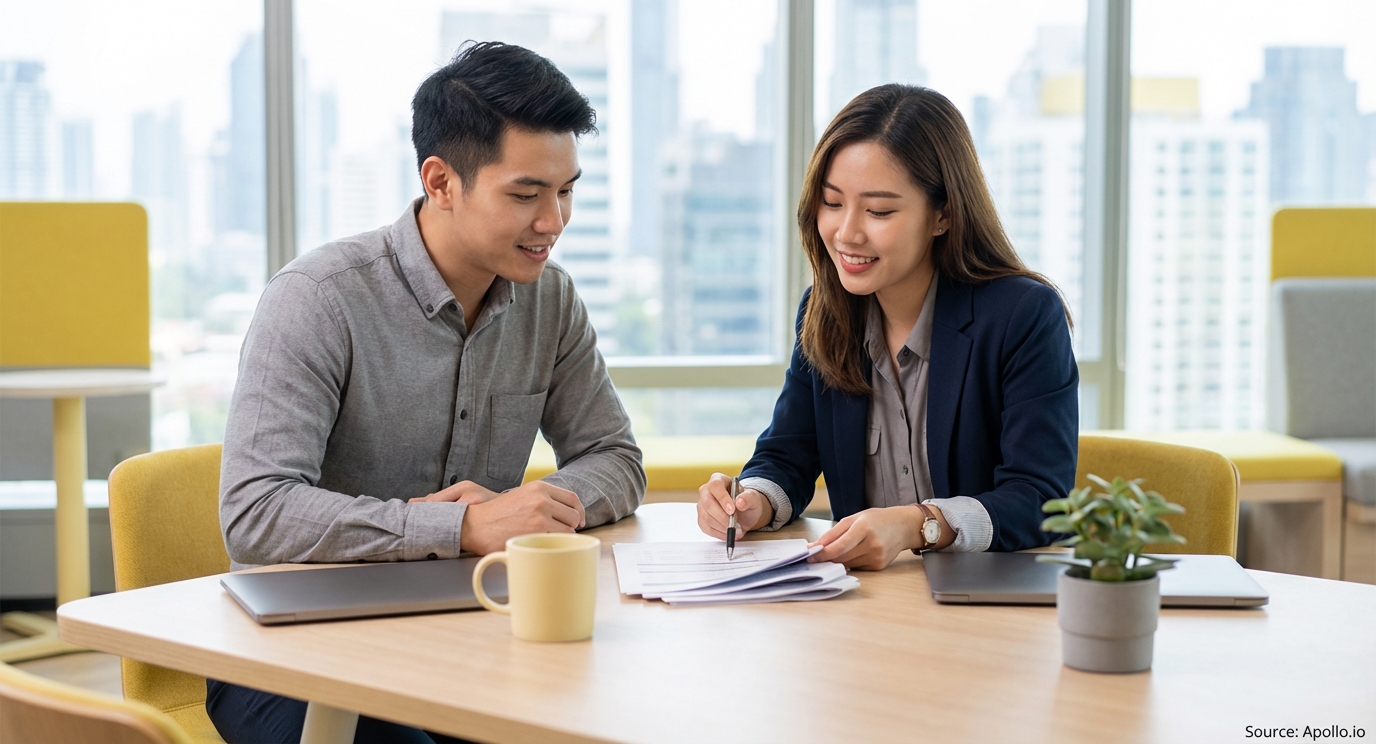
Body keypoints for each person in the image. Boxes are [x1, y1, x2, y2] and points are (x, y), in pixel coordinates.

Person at [208, 42, 645, 744]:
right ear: (441, 182)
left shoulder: (551, 302)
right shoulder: (318, 300)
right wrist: (465, 529)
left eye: (566, 191)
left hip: (477, 631)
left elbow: (615, 458)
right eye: (526, 194)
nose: (555, 221)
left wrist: (535, 510)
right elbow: (256, 514)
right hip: (295, 653)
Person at [697, 84, 1077, 570]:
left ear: (942, 215)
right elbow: (787, 456)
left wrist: (920, 524)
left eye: (878, 211)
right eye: (832, 203)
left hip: (986, 605)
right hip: (869, 606)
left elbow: (1041, 499)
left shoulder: (1023, 314)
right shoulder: (824, 311)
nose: (846, 232)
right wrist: (752, 500)